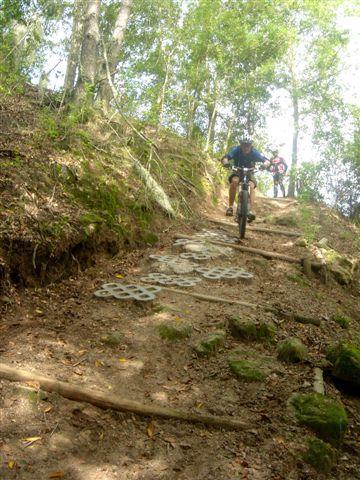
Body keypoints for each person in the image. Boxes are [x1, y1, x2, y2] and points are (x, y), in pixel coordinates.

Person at [220, 138, 269, 221]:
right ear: (241, 145)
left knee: (251, 185)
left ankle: (250, 210)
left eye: (248, 145)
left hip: (250, 172)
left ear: (251, 146)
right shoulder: (236, 150)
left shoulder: (254, 152)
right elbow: (226, 157)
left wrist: (264, 165)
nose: (246, 147)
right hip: (237, 171)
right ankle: (230, 207)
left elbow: (266, 160)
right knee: (234, 181)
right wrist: (226, 163)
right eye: (244, 145)